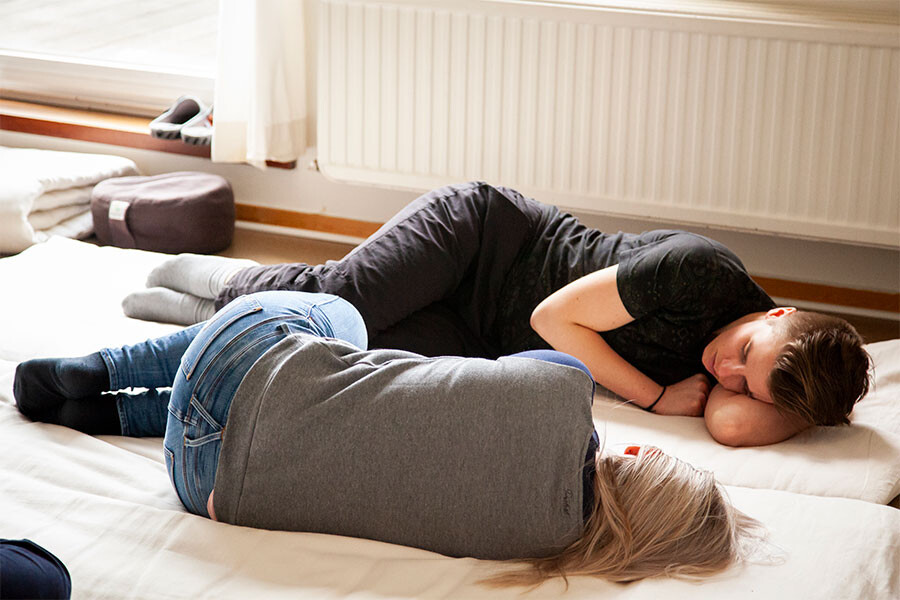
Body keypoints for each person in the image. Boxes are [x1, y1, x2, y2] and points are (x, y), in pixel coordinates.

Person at [14, 291, 761, 585]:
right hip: (202, 486)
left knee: (343, 320)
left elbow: (502, 373)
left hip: (243, 367)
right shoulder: (531, 545)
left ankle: (108, 367)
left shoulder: (566, 385)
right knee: (271, 417)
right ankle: (114, 416)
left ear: (637, 453)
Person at [121, 182, 871, 447]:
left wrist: (797, 399)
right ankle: (223, 285)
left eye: (749, 382)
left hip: (479, 336)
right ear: (779, 309)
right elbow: (555, 320)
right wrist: (651, 395)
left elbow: (736, 423)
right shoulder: (699, 271)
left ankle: (216, 304)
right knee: (340, 298)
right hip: (485, 242)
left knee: (345, 348)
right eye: (750, 347)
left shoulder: (743, 388)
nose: (726, 370)